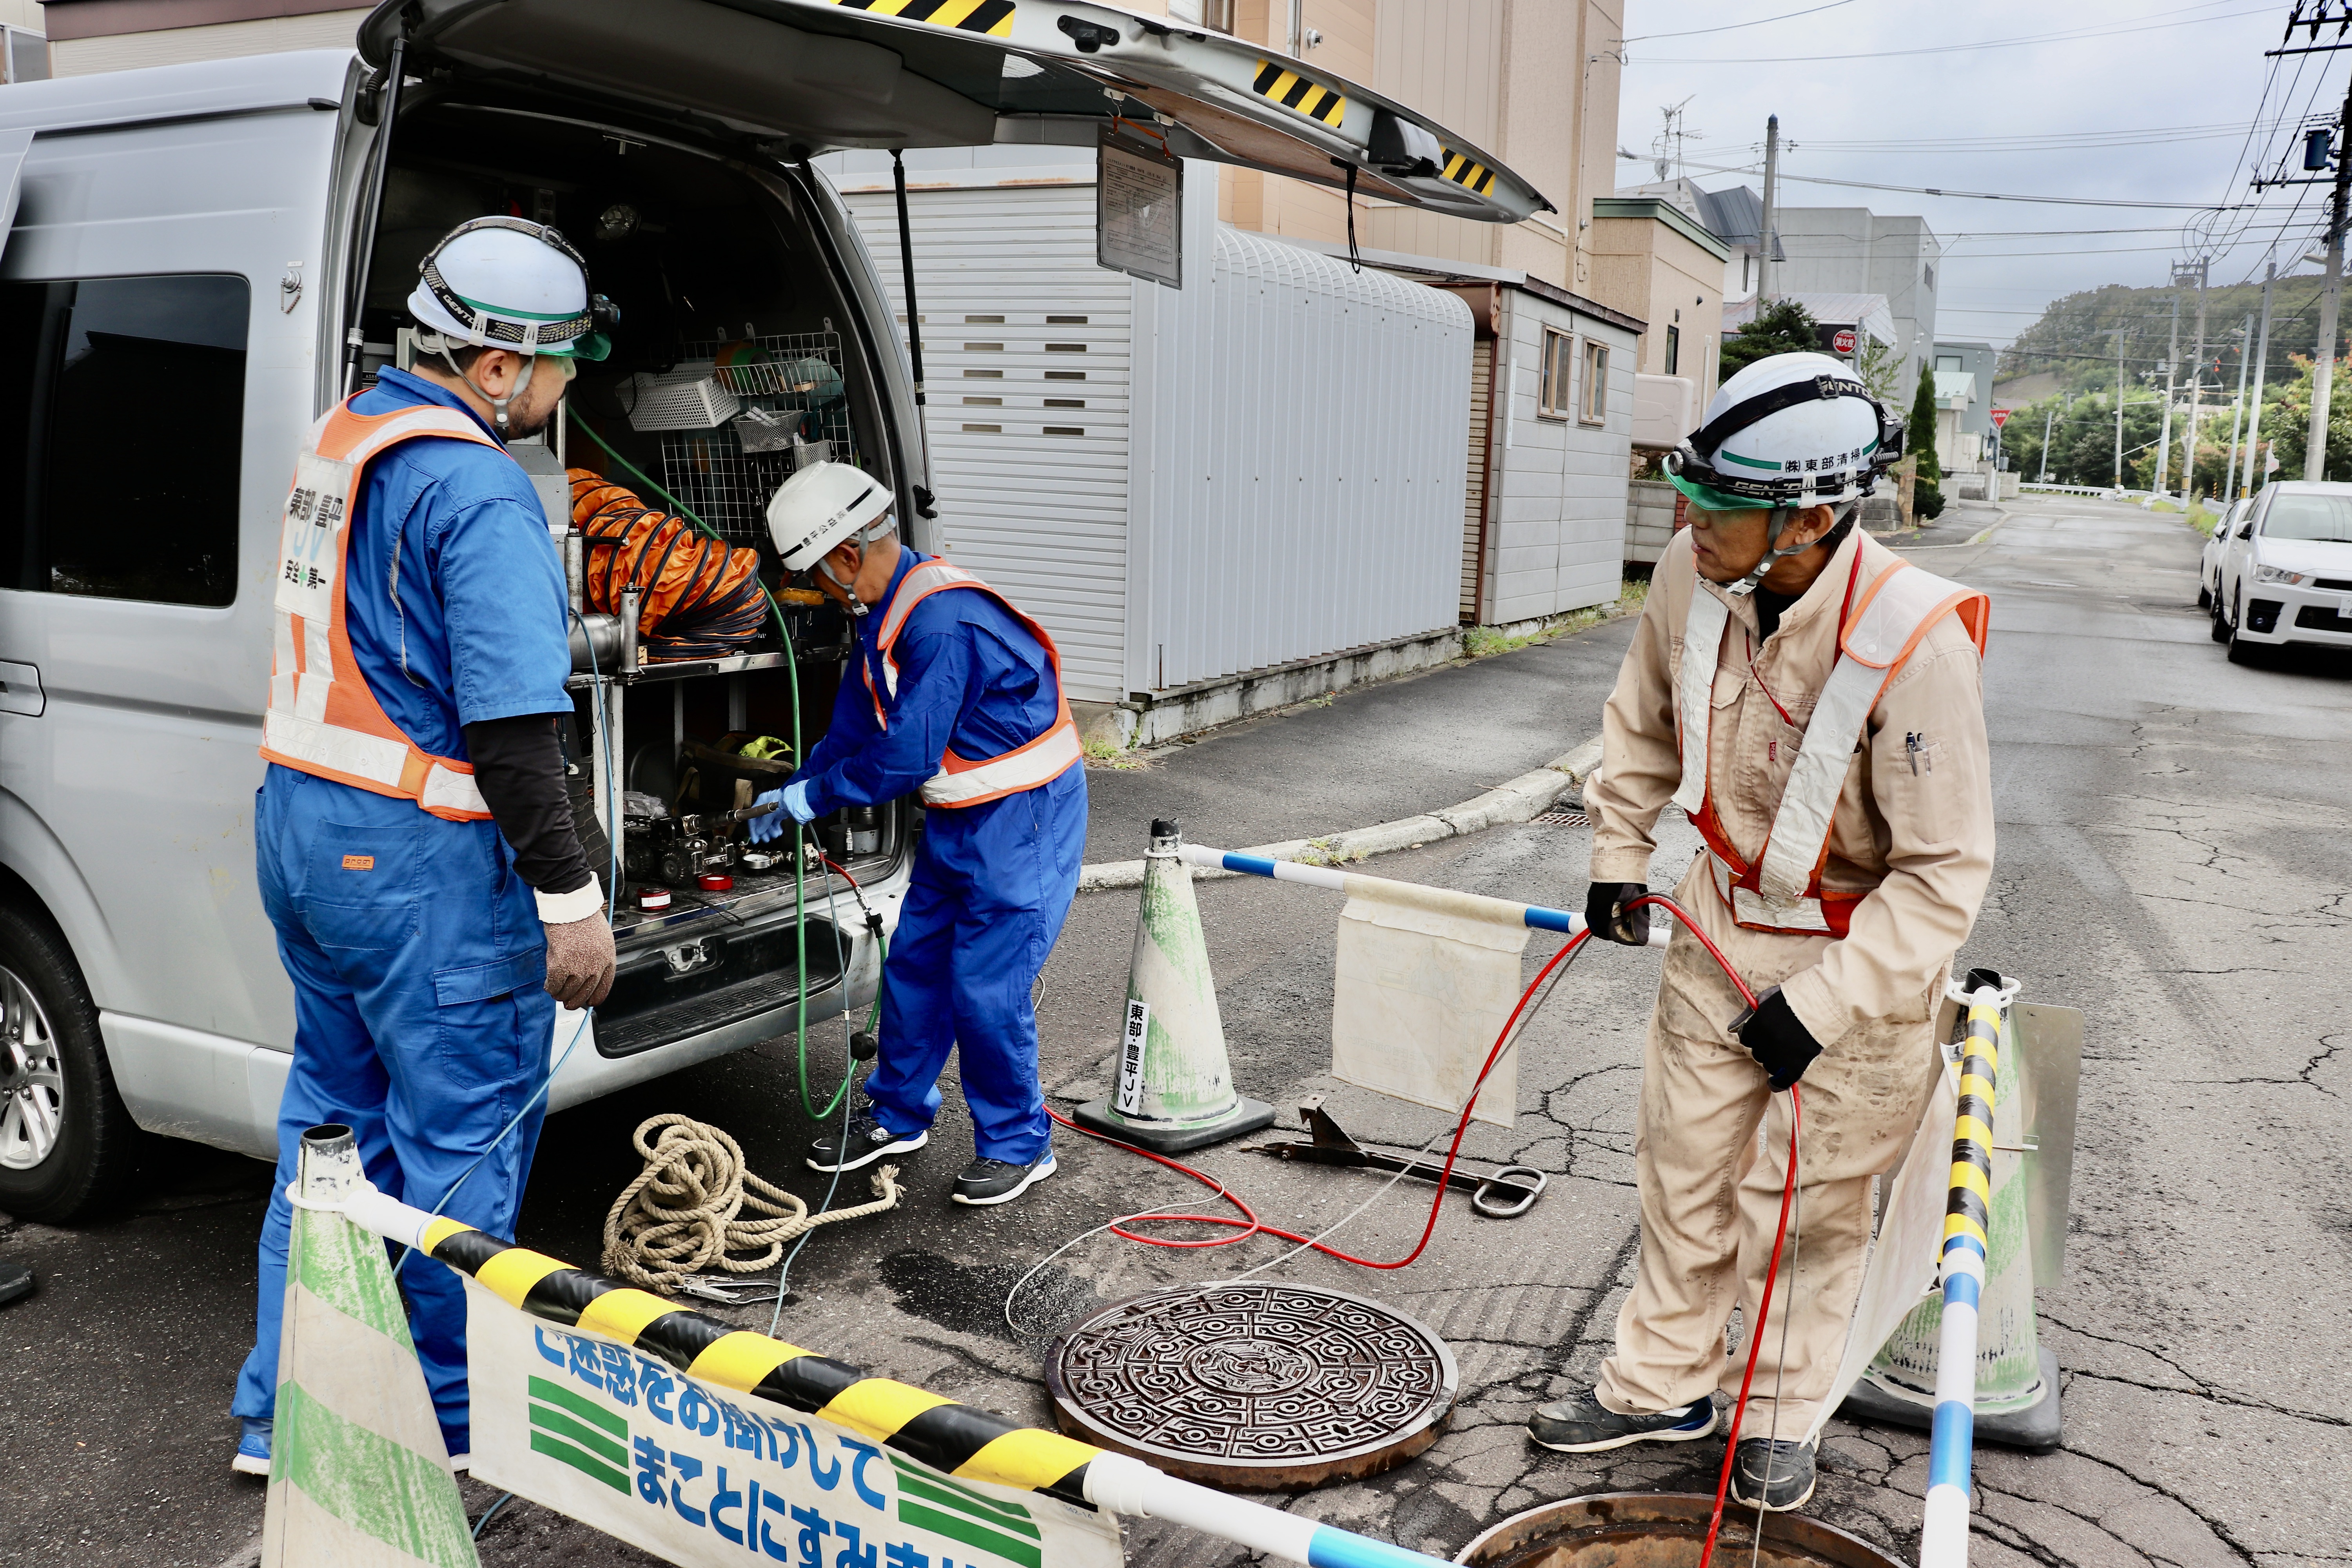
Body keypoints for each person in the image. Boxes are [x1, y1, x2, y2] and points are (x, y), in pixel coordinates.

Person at [1526, 352, 1994, 1513]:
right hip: (1720, 924)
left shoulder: (1915, 643)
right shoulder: (1693, 574)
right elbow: (1637, 721)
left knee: (1806, 1203)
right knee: (1683, 1173)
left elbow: (1943, 876)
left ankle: (1778, 1414)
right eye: (1691, 495)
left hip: (1855, 958)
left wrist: (1826, 1006)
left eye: (1718, 507)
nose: (1686, 520)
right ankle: (1660, 1384)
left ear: (1811, 518)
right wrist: (1618, 858)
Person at [231, 218, 619, 1475]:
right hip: (421, 862)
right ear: (498, 365)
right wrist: (571, 901)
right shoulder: (475, 485)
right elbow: (514, 736)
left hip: (304, 828)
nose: (566, 388)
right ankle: (449, 1433)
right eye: (560, 364)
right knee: (462, 1152)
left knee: (330, 1138)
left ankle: (281, 1413)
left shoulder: (347, 439)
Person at [752, 461, 1086, 1207]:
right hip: (964, 817)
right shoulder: (885, 618)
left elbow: (905, 756)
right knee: (917, 965)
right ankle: (899, 1116)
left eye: (817, 575)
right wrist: (799, 786)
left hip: (1024, 820)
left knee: (986, 986)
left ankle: (1020, 1144)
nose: (820, 592)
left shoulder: (939, 623)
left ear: (845, 556)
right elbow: (852, 730)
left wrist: (816, 800)